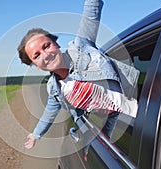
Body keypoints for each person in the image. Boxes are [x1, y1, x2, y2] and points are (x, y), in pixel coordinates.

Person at [17, 0, 139, 154]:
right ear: (36, 65)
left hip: (143, 113)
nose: (45, 55)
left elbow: (91, 12)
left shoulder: (81, 48)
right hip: (121, 131)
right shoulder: (55, 89)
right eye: (37, 55)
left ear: (57, 44)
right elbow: (49, 113)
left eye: (46, 46)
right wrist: (36, 134)